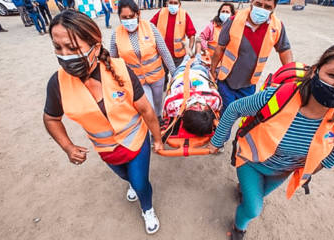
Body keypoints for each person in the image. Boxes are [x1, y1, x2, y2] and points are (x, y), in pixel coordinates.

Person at [207, 40, 334, 240]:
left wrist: (324, 162)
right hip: (251, 162)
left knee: (257, 197)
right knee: (253, 209)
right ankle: (239, 228)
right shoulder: (276, 97)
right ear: (315, 71)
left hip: (284, 171)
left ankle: (242, 190)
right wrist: (217, 142)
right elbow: (235, 109)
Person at [44, 10, 163, 234]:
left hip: (136, 142)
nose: (64, 54)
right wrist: (67, 146)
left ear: (95, 47)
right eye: (58, 47)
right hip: (106, 151)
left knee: (139, 184)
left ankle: (147, 208)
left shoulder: (121, 70)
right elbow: (51, 118)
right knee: (126, 177)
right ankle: (132, 185)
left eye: (72, 47)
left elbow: (146, 109)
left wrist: (157, 139)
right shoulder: (57, 83)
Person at [210, 0, 293, 141]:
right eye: (259, 4)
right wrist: (212, 68)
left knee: (243, 114)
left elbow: (284, 50)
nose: (262, 9)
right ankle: (221, 140)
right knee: (226, 113)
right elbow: (220, 48)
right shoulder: (233, 20)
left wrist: (290, 75)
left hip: (249, 84)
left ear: (274, 8)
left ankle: (227, 137)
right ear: (251, 2)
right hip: (227, 80)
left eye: (267, 7)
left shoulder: (277, 26)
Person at [110, 0, 176, 124]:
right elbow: (113, 60)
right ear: (119, 17)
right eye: (124, 17)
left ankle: (158, 119)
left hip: (157, 77)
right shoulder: (116, 35)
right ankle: (152, 135)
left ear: (138, 14)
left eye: (131, 16)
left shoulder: (150, 27)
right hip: (137, 80)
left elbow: (164, 52)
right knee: (147, 108)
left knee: (157, 105)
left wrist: (175, 73)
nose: (128, 20)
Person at [163, 42, 222, 136]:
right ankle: (197, 50)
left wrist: (171, 81)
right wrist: (210, 76)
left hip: (181, 74)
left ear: (186, 114)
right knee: (198, 61)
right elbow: (212, 86)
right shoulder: (213, 102)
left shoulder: (173, 107)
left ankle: (187, 51)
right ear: (207, 110)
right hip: (199, 73)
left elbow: (169, 91)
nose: (196, 99)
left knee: (185, 60)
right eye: (201, 105)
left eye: (194, 105)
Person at [150, 0, 197, 89]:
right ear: (167, 3)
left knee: (178, 77)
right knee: (162, 77)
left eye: (175, 3)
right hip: (162, 54)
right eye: (171, 2)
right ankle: (163, 89)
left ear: (180, 4)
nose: (173, 5)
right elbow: (149, 27)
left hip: (178, 56)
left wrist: (189, 49)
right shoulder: (161, 13)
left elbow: (192, 35)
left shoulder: (184, 15)